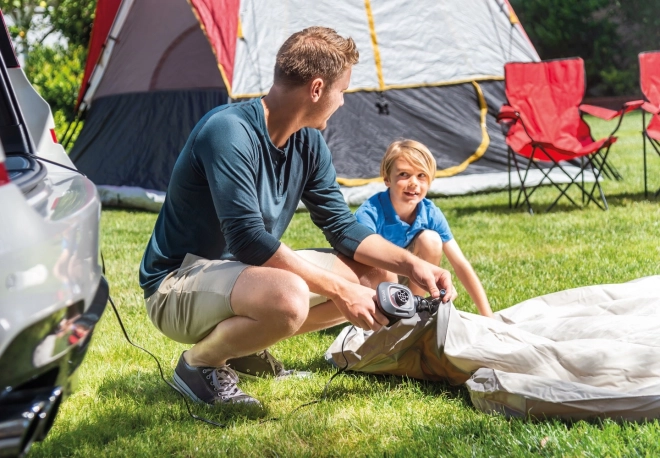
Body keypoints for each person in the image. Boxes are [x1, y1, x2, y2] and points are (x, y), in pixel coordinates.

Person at [139, 27, 457, 407]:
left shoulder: (308, 141)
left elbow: (341, 226)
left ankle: (242, 347)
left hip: (243, 277)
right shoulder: (228, 131)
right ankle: (199, 363)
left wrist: (413, 264)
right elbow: (247, 239)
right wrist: (340, 290)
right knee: (288, 297)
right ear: (318, 89)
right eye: (342, 91)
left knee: (376, 277)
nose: (342, 102)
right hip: (176, 285)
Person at [355, 139, 493, 317]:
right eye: (404, 174)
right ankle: (389, 310)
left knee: (431, 240)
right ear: (387, 178)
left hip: (407, 275)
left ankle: (409, 310)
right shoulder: (370, 213)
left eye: (421, 175)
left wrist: (488, 316)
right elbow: (358, 260)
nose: (414, 183)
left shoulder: (429, 212)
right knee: (382, 260)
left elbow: (460, 264)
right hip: (373, 282)